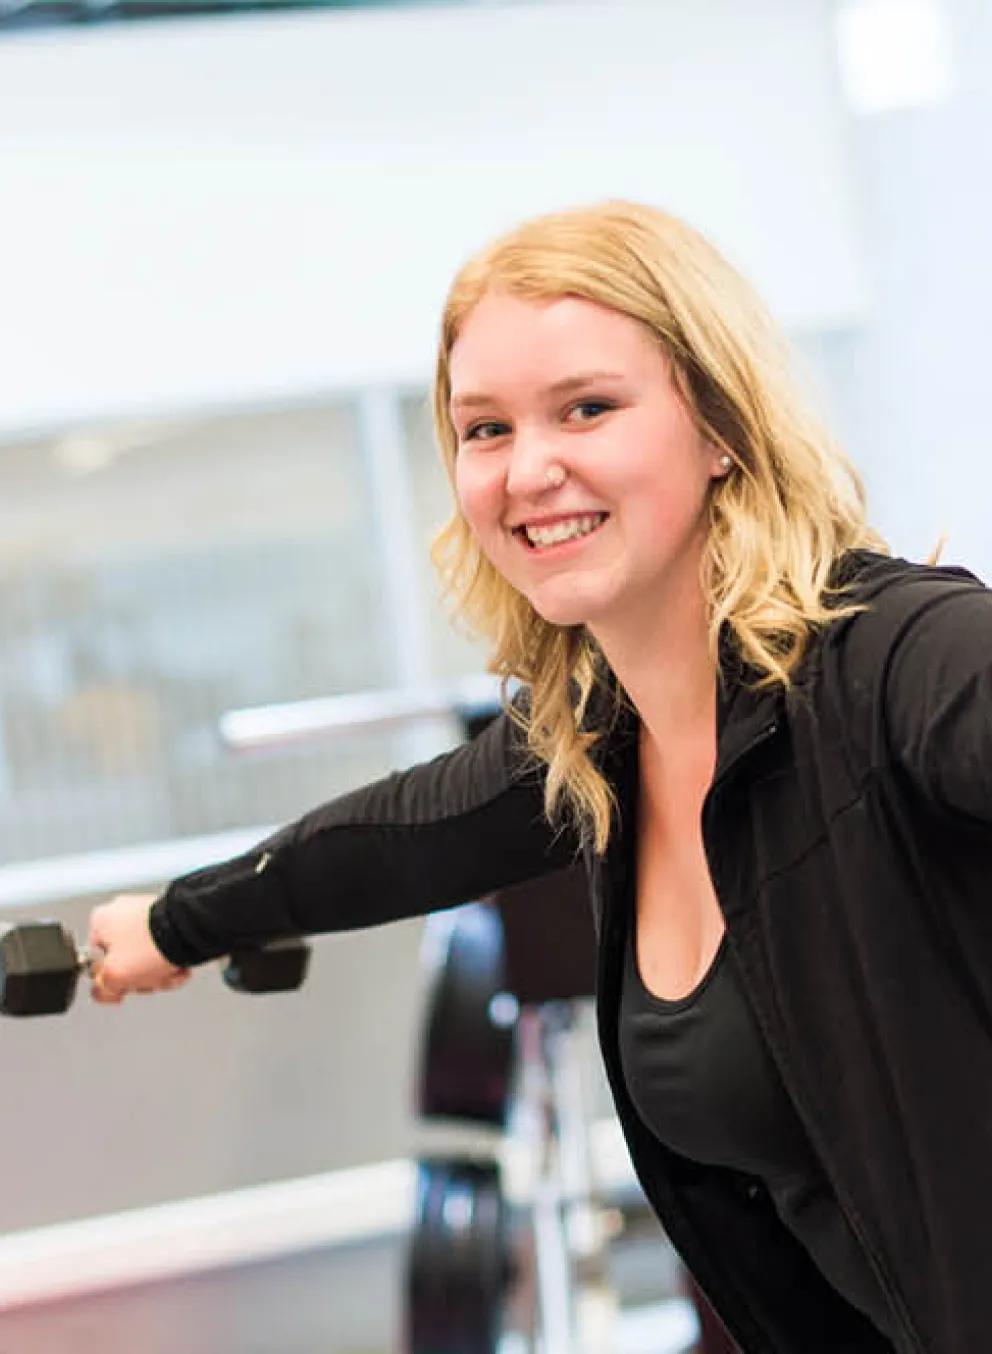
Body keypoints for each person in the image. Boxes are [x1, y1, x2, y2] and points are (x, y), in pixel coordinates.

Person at [85, 200, 992, 1354]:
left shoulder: (894, 660)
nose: (528, 470)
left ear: (719, 425)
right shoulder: (602, 745)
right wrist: (171, 922)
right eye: (485, 428)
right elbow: (394, 837)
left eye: (586, 408)